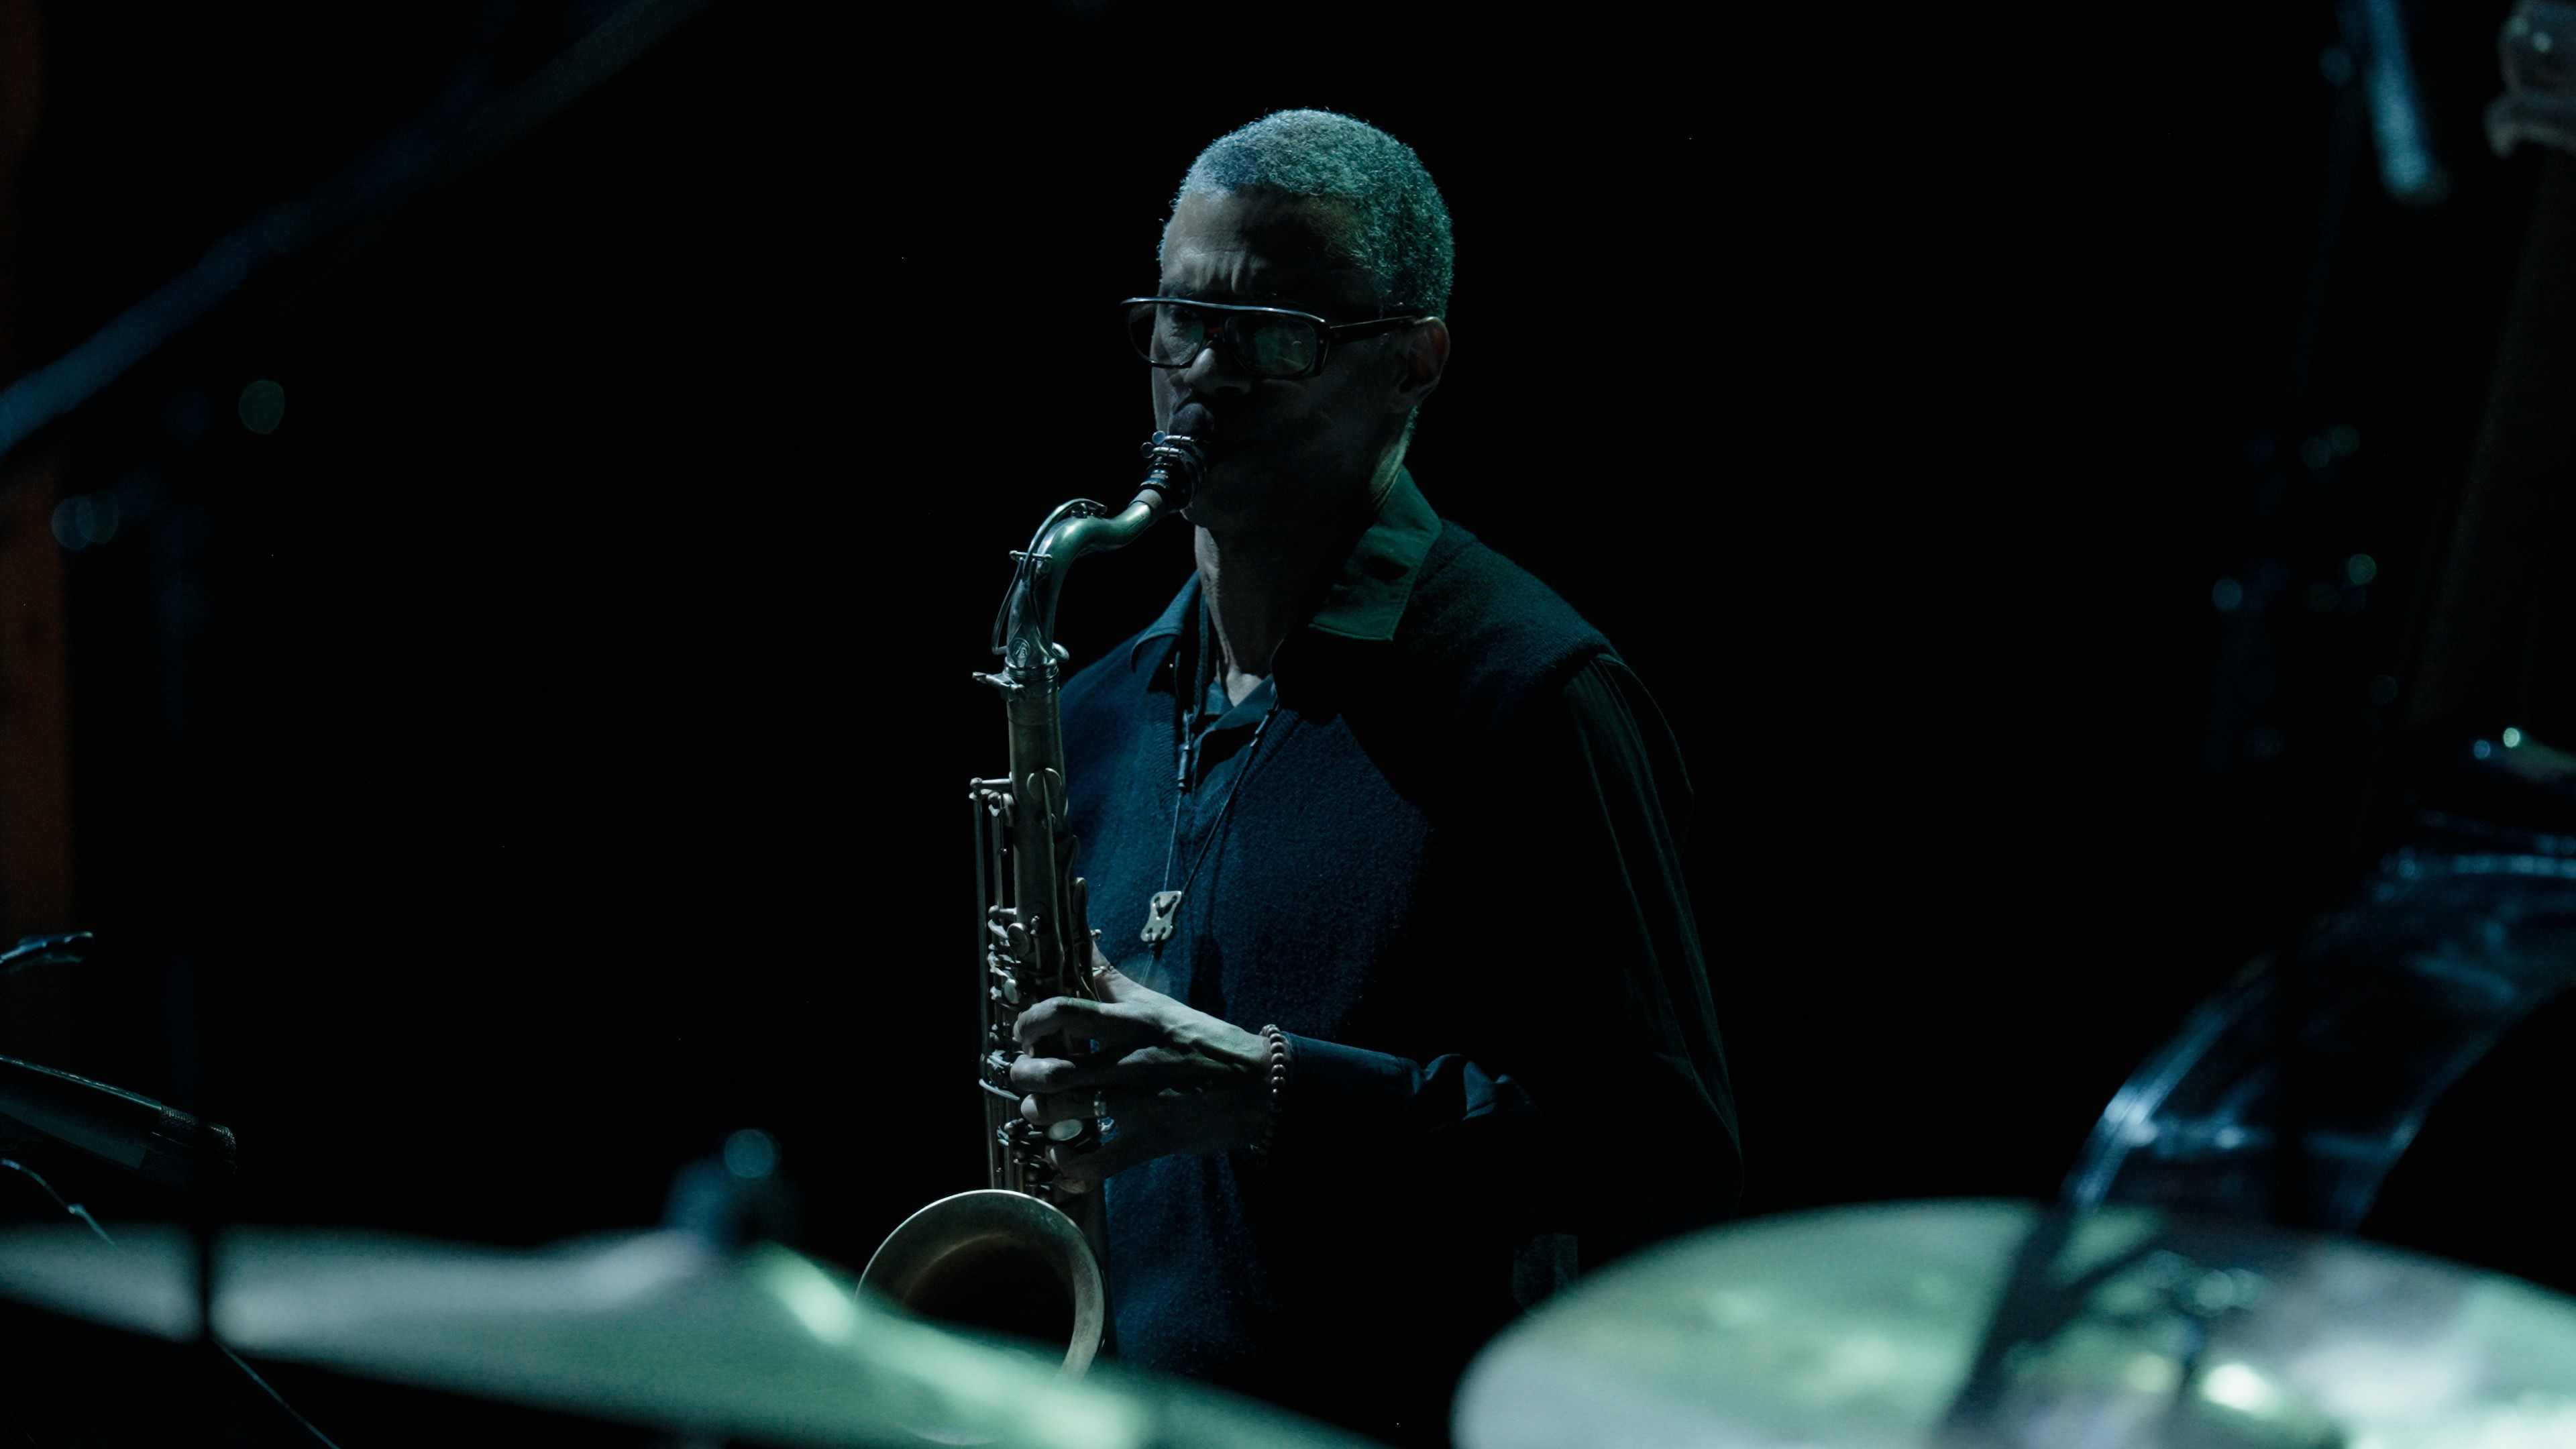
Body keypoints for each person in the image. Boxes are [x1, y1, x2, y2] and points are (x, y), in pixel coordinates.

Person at [1004, 110, 1739, 1446]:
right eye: (1180, 317)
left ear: (1416, 362)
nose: (1207, 372)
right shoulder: (1093, 711)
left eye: (1277, 327)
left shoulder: (1532, 694)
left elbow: (1662, 1157)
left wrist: (1282, 1096)